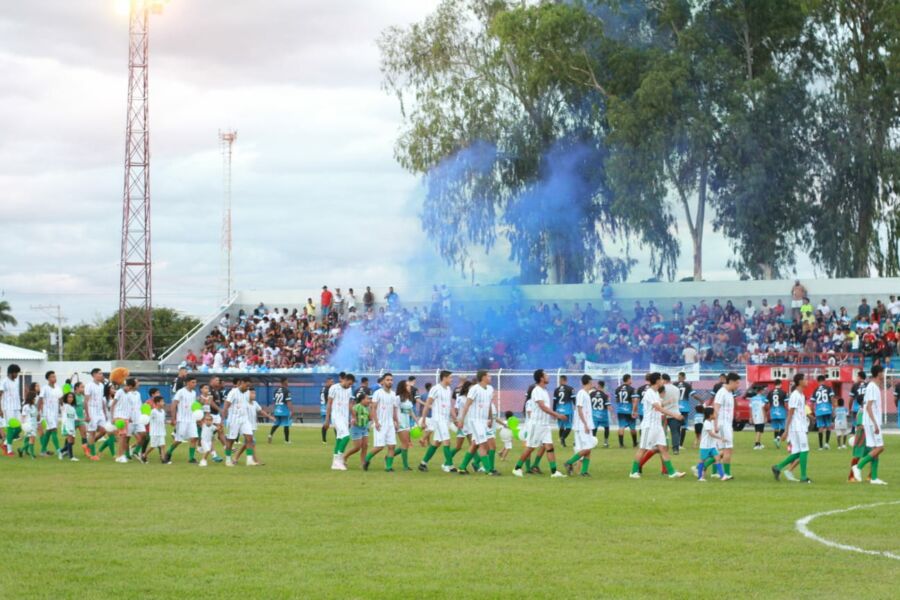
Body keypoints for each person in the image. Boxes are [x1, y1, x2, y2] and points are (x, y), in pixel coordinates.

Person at [512, 369, 568, 478]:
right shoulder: (536, 390)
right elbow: (542, 406)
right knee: (531, 447)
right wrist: (557, 415)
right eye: (546, 375)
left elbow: (546, 407)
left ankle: (554, 472)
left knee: (549, 446)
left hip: (545, 424)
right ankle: (517, 468)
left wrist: (552, 415)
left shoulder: (545, 391)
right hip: (536, 424)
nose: (548, 376)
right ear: (541, 378)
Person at [629, 373, 685, 479]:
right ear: (657, 381)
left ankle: (672, 472)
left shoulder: (655, 393)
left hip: (657, 426)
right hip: (649, 426)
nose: (662, 381)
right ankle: (633, 472)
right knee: (643, 449)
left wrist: (669, 401)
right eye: (661, 379)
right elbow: (659, 408)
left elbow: (659, 405)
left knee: (663, 448)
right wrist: (675, 415)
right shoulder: (650, 392)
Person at [771, 373, 812, 484]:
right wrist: (786, 430)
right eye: (805, 379)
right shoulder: (795, 395)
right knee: (805, 450)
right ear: (799, 381)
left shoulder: (801, 395)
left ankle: (778, 467)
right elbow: (790, 413)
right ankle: (803, 477)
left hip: (800, 426)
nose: (807, 381)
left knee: (798, 452)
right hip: (797, 427)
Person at [457, 370, 499, 476]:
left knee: (490, 445)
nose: (491, 378)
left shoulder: (490, 389)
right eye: (489, 376)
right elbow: (467, 405)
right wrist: (461, 420)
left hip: (485, 422)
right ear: (483, 377)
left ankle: (462, 467)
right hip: (475, 421)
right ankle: (489, 470)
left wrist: (490, 418)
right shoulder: (474, 389)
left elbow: (489, 404)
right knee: (483, 445)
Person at [852, 366, 887, 485]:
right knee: (880, 448)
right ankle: (858, 466)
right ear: (878, 374)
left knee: (874, 450)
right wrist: (875, 424)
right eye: (882, 372)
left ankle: (874, 478)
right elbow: (868, 407)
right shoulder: (872, 386)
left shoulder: (874, 386)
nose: (884, 375)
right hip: (872, 422)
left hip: (871, 422)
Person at [418, 370, 456, 473]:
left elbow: (449, 406)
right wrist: (423, 420)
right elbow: (427, 404)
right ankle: (450, 465)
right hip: (438, 419)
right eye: (450, 377)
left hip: (445, 419)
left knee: (436, 443)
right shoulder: (435, 389)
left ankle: (423, 463)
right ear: (444, 378)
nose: (452, 379)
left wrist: (455, 419)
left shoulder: (448, 389)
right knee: (447, 441)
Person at [364, 373, 399, 472]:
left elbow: (394, 409)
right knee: (379, 446)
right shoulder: (378, 393)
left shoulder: (393, 394)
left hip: (390, 424)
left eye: (391, 380)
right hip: (380, 423)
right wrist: (376, 422)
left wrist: (396, 421)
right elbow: (373, 408)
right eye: (388, 380)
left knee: (392, 446)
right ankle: (366, 459)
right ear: (383, 381)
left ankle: (388, 467)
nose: (390, 382)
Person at [563, 374, 597, 477]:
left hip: (586, 425)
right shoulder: (581, 393)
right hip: (582, 425)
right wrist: (585, 424)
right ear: (589, 382)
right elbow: (579, 408)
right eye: (592, 382)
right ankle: (569, 462)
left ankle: (584, 471)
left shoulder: (586, 394)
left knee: (589, 448)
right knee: (586, 448)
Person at [224, 378, 258, 467]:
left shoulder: (247, 392)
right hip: (234, 419)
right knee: (231, 440)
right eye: (247, 385)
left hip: (244, 419)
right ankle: (228, 460)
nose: (248, 387)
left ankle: (249, 460)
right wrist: (223, 417)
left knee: (249, 438)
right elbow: (227, 404)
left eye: (249, 386)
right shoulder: (233, 392)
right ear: (242, 383)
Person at [712, 372, 741, 480]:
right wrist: (715, 425)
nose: (738, 385)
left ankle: (711, 471)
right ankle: (726, 474)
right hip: (722, 424)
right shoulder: (722, 392)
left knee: (720, 450)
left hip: (727, 424)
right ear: (732, 382)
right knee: (727, 450)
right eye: (737, 383)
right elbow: (716, 408)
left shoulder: (729, 393)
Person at [325, 373, 354, 471]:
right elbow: (329, 404)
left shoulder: (349, 390)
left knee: (339, 438)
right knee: (346, 436)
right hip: (336, 417)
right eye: (349, 383)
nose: (349, 386)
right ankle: (339, 460)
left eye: (351, 385)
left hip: (345, 417)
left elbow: (349, 404)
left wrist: (351, 417)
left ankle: (334, 463)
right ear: (344, 380)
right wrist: (327, 419)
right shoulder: (334, 388)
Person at [167, 376, 199, 464]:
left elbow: (194, 406)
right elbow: (173, 405)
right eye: (193, 382)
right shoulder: (180, 392)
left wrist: (197, 416)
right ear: (187, 383)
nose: (194, 384)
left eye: (195, 382)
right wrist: (173, 418)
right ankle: (168, 452)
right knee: (178, 440)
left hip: (191, 420)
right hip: (182, 420)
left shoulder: (194, 393)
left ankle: (191, 458)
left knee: (194, 438)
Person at [83, 368, 108, 461]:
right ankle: (93, 454)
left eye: (101, 374)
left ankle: (88, 446)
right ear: (94, 375)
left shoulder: (101, 385)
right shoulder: (89, 385)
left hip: (100, 411)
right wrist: (87, 414)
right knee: (92, 432)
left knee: (104, 430)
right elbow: (86, 401)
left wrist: (104, 413)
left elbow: (102, 400)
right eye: (100, 374)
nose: (101, 375)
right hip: (91, 410)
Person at [695, 406, 726, 482]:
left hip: (712, 446)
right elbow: (711, 434)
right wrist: (720, 438)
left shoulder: (710, 422)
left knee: (718, 458)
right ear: (710, 415)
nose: (715, 415)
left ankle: (722, 476)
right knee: (702, 461)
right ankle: (700, 477)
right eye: (714, 413)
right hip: (705, 446)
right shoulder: (706, 423)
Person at [38, 370, 63, 458]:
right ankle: (59, 451)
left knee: (48, 431)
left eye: (55, 376)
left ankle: (42, 451)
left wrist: (64, 408)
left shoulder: (58, 387)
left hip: (55, 412)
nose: (54, 378)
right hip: (47, 412)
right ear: (48, 378)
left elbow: (61, 400)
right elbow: (40, 400)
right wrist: (38, 412)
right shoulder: (44, 388)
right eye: (52, 376)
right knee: (54, 430)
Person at [344, 389, 370, 468]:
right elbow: (353, 416)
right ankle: (345, 457)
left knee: (365, 446)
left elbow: (370, 418)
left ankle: (363, 463)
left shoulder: (367, 408)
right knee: (357, 447)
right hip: (356, 428)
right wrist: (352, 420)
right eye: (367, 399)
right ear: (362, 400)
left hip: (364, 428)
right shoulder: (356, 407)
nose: (368, 400)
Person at [395, 381, 416, 471]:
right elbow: (393, 410)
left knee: (406, 444)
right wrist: (395, 422)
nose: (409, 386)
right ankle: (405, 466)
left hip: (407, 424)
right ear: (403, 387)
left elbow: (411, 412)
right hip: (400, 424)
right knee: (404, 444)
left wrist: (418, 422)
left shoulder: (408, 399)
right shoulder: (397, 398)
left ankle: (389, 455)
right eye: (407, 385)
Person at [811, 375, 836, 450]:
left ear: (818, 381)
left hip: (819, 410)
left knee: (820, 427)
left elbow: (812, 402)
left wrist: (813, 411)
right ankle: (826, 444)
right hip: (827, 409)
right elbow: (832, 398)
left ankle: (820, 446)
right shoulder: (828, 388)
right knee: (828, 426)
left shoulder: (815, 390)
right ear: (824, 380)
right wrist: (833, 408)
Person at [614, 374, 638, 448]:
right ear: (628, 379)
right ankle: (634, 443)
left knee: (621, 427)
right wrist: (634, 411)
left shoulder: (617, 389)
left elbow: (616, 400)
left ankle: (621, 444)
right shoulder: (632, 389)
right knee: (633, 427)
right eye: (631, 379)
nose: (631, 380)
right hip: (629, 410)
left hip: (620, 410)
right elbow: (634, 401)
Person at [142, 395, 168, 464]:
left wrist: (168, 422)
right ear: (157, 403)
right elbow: (147, 419)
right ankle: (144, 455)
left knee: (163, 445)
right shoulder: (153, 411)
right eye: (162, 401)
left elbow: (163, 420)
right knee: (153, 446)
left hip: (162, 432)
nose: (163, 403)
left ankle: (163, 459)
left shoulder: (163, 411)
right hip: (154, 432)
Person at [268, 377, 294, 444]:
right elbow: (288, 402)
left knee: (277, 423)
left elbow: (274, 402)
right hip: (284, 410)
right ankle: (287, 440)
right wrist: (291, 410)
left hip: (277, 409)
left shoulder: (276, 390)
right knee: (286, 424)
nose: (288, 383)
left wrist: (273, 410)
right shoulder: (286, 391)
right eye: (287, 381)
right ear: (284, 382)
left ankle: (270, 434)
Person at [661, 374, 682, 455]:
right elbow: (677, 400)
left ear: (664, 380)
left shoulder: (662, 388)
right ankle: (675, 449)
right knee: (675, 432)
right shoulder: (676, 389)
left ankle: (663, 447)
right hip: (675, 413)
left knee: (663, 432)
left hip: (663, 412)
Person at [553, 375, 575, 447]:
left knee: (561, 427)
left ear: (561, 380)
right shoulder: (570, 389)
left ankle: (562, 443)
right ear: (566, 380)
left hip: (559, 411)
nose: (559, 381)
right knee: (569, 427)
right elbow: (574, 400)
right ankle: (562, 438)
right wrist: (576, 407)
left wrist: (554, 413)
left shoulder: (556, 390)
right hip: (567, 411)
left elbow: (554, 402)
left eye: (559, 380)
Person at [675, 372, 694, 448]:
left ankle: (675, 443)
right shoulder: (687, 385)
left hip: (676, 407)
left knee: (676, 425)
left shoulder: (674, 384)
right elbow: (693, 394)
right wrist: (701, 400)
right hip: (684, 407)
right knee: (683, 426)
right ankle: (680, 445)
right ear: (684, 377)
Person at [18, 387, 39, 459]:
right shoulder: (26, 407)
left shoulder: (34, 407)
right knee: (32, 439)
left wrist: (38, 423)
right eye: (34, 398)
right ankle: (32, 455)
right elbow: (23, 416)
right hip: (28, 425)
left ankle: (21, 450)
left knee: (30, 439)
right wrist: (22, 425)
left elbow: (36, 417)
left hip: (33, 425)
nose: (35, 399)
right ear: (31, 398)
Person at [590, 380, 611, 447]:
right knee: (606, 428)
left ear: (598, 385)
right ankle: (605, 442)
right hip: (603, 415)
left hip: (594, 414)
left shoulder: (591, 394)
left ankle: (593, 443)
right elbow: (608, 406)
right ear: (603, 386)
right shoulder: (605, 395)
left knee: (594, 428)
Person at [768, 380, 787, 449]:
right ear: (780, 384)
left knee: (776, 428)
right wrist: (787, 410)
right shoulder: (783, 392)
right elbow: (786, 403)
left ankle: (777, 444)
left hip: (773, 411)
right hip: (781, 411)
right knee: (784, 427)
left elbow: (767, 403)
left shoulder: (770, 392)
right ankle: (778, 438)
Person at [60, 392, 79, 461]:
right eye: (69, 397)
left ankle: (61, 451)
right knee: (70, 440)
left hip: (72, 426)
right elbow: (60, 400)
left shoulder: (73, 408)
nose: (70, 398)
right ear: (66, 398)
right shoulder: (64, 406)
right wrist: (65, 393)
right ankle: (71, 457)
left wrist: (85, 419)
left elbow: (76, 418)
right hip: (66, 425)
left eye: (72, 397)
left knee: (72, 442)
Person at [319, 377, 333, 444]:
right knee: (335, 424)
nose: (332, 383)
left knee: (325, 425)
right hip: (327, 408)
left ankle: (323, 440)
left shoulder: (322, 389)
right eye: (331, 382)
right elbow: (328, 401)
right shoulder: (328, 390)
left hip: (322, 408)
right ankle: (337, 438)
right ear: (327, 382)